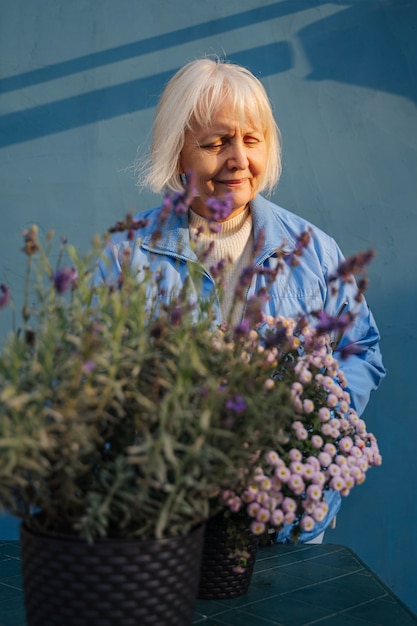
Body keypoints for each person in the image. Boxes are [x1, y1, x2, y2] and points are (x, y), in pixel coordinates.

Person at [95, 57, 386, 543]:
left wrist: (306, 432)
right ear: (177, 152)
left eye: (252, 140)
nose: (238, 159)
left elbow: (363, 352)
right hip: (163, 523)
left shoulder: (314, 251)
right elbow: (91, 381)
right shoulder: (127, 256)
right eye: (215, 143)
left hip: (287, 518)